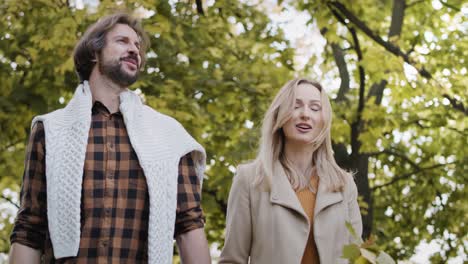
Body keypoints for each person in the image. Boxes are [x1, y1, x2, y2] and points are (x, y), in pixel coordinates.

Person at [9, 12, 211, 264]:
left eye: (137, 45)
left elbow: (189, 225)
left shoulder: (168, 136)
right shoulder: (50, 130)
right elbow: (30, 227)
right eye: (122, 41)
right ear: (94, 52)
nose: (134, 50)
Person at [219, 78, 362, 264]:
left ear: (324, 119)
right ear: (280, 115)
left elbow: (357, 258)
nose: (305, 114)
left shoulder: (344, 185)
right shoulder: (249, 179)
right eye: (296, 106)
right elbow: (232, 260)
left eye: (315, 107)